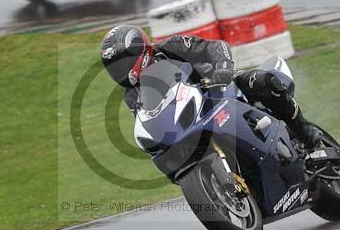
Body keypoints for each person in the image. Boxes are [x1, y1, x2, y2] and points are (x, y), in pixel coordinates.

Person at [100, 25, 323, 148]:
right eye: (114, 67)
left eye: (123, 63)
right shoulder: (132, 95)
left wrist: (222, 68)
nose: (120, 71)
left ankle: (304, 131)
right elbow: (151, 124)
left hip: (223, 89)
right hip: (193, 124)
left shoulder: (170, 48)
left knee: (265, 82)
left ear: (141, 51)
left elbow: (215, 47)